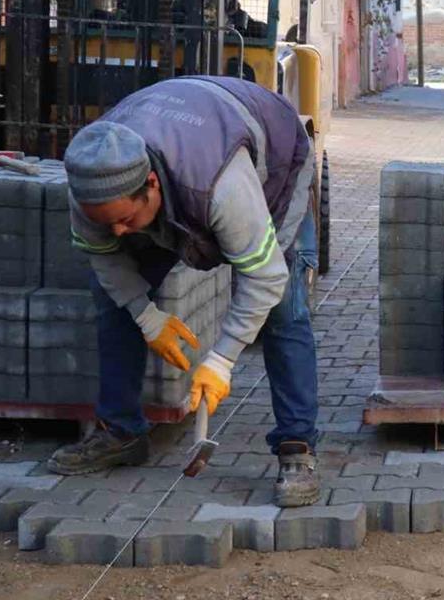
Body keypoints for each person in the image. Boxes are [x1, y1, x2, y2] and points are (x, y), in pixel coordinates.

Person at [46, 76, 322, 508]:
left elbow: (264, 277)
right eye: (106, 222)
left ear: (151, 184)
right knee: (112, 298)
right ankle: (122, 432)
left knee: (282, 310)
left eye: (125, 219)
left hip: (273, 160)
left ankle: (296, 447)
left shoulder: (217, 185)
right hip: (185, 149)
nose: (117, 231)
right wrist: (145, 314)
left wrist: (222, 359)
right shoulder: (91, 187)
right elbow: (105, 257)